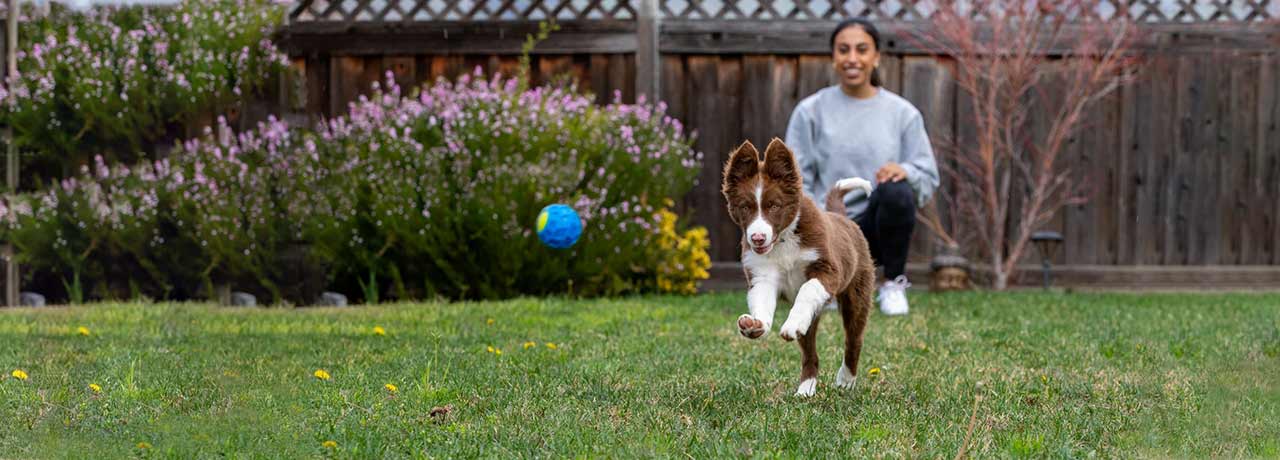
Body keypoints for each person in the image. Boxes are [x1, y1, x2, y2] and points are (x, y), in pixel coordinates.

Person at [785, 18, 940, 316]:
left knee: (897, 191)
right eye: (844, 50)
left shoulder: (903, 114)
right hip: (827, 228)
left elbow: (927, 174)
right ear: (833, 57)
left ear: (876, 57)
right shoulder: (810, 111)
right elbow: (794, 180)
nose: (852, 58)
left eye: (862, 49)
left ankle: (893, 284)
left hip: (874, 228)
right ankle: (826, 280)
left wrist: (905, 170)